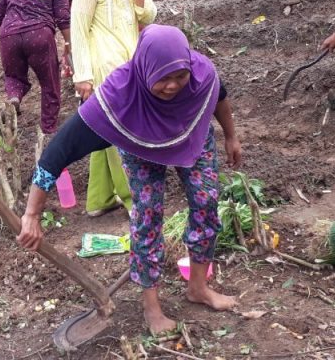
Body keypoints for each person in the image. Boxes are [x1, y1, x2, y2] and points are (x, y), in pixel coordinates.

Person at [17, 25, 242, 335]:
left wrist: (231, 136)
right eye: (163, 78)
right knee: (148, 214)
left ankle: (198, 288)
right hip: (140, 143)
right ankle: (152, 308)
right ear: (145, 70)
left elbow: (220, 96)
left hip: (192, 134)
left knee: (206, 203)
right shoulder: (118, 95)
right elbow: (57, 153)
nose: (173, 85)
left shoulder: (202, 73)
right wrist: (31, 214)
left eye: (180, 76)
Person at [70, 0, 158, 215]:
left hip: (130, 69)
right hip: (102, 71)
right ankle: (134, 199)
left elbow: (148, 14)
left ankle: (99, 200)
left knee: (103, 133)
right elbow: (79, 31)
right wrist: (81, 76)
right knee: (120, 134)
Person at [0, 0, 71, 133]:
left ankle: (14, 99)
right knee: (49, 83)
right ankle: (48, 128)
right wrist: (68, 45)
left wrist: (1, 38)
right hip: (39, 37)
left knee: (14, 76)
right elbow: (63, 19)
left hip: (8, 35)